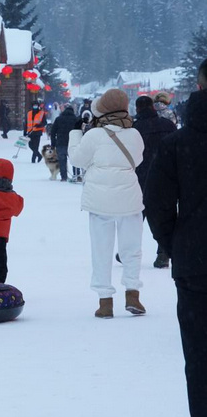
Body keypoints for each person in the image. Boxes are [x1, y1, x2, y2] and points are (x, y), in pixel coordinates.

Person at [145, 61, 207, 417]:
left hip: (197, 262)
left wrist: (176, 246)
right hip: (194, 258)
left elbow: (158, 205)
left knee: (200, 356)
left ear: (198, 86)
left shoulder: (177, 144)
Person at [68, 88, 145, 318]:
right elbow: (137, 160)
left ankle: (105, 301)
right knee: (131, 249)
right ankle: (133, 294)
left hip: (100, 201)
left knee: (101, 249)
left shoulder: (93, 135)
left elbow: (78, 160)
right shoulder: (135, 134)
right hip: (130, 198)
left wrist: (75, 134)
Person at [132, 96, 177, 268]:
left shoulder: (134, 129)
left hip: (140, 178)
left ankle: (130, 252)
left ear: (137, 109)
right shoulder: (168, 125)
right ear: (153, 107)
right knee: (164, 216)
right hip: (166, 177)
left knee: (136, 218)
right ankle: (163, 252)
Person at [50, 104, 78, 182]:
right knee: (75, 160)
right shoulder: (76, 119)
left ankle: (64, 177)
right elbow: (79, 131)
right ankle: (77, 175)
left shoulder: (58, 119)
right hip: (73, 143)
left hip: (61, 143)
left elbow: (53, 132)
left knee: (62, 161)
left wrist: (53, 143)